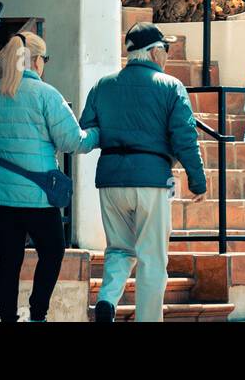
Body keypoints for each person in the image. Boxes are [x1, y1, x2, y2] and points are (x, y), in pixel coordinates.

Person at [79, 22, 206, 324]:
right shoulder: (171, 86)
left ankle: (107, 300)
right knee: (152, 258)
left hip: (110, 180)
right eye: (165, 49)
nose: (167, 55)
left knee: (119, 249)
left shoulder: (102, 85)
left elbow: (86, 128)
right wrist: (197, 180)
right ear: (153, 52)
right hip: (151, 180)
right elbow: (185, 137)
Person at [0, 30, 98, 324]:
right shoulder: (46, 95)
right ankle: (38, 314)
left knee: (9, 257)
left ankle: (7, 319)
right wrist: (96, 134)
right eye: (45, 59)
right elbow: (72, 142)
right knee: (53, 250)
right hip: (35, 193)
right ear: (37, 60)